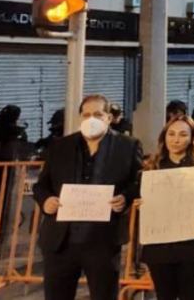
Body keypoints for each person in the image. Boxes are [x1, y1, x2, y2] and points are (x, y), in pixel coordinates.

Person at [32, 95, 142, 300]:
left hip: (102, 242)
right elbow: (41, 186)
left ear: (109, 118)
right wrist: (45, 201)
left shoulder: (128, 146)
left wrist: (125, 198)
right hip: (60, 242)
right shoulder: (60, 146)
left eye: (98, 114)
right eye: (87, 115)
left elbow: (138, 182)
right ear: (80, 118)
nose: (92, 119)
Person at [140, 115, 194, 300]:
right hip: (158, 244)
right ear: (164, 136)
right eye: (171, 134)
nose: (176, 140)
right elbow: (139, 196)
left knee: (189, 293)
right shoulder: (152, 165)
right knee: (164, 295)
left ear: (192, 137)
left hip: (191, 244)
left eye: (183, 134)